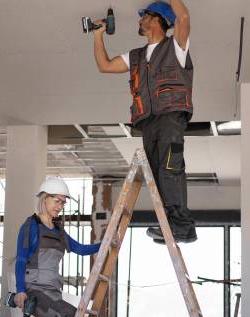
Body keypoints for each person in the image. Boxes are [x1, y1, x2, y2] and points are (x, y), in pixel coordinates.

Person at [92, 0, 197, 243]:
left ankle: (179, 223)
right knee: (157, 174)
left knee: (171, 167)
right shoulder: (136, 56)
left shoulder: (176, 47)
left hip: (172, 119)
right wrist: (98, 36)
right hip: (148, 122)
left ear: (157, 19)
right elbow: (105, 66)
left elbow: (183, 18)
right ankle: (176, 226)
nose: (139, 20)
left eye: (144, 16)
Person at [13, 177, 100, 317]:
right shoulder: (31, 227)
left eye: (63, 202)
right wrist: (20, 290)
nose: (60, 206)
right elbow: (20, 260)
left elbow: (80, 248)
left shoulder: (59, 231)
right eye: (57, 201)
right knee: (67, 313)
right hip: (34, 289)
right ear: (44, 199)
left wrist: (104, 245)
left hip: (53, 291)